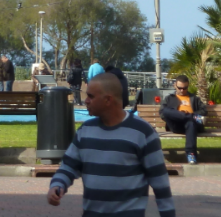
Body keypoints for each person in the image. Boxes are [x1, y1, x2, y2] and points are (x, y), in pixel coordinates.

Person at [47, 73, 174, 217]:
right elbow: (68, 166)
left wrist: (168, 213)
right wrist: (57, 185)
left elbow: (159, 180)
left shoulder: (142, 132)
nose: (86, 101)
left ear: (108, 100)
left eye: (91, 96)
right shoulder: (85, 130)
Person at [159, 74, 206, 165]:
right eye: (180, 88)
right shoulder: (169, 98)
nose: (182, 90)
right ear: (175, 85)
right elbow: (162, 113)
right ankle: (191, 117)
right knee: (165, 110)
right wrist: (179, 115)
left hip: (191, 125)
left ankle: (191, 154)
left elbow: (204, 110)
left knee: (190, 123)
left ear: (188, 86)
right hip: (176, 125)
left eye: (185, 88)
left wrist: (190, 115)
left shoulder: (194, 98)